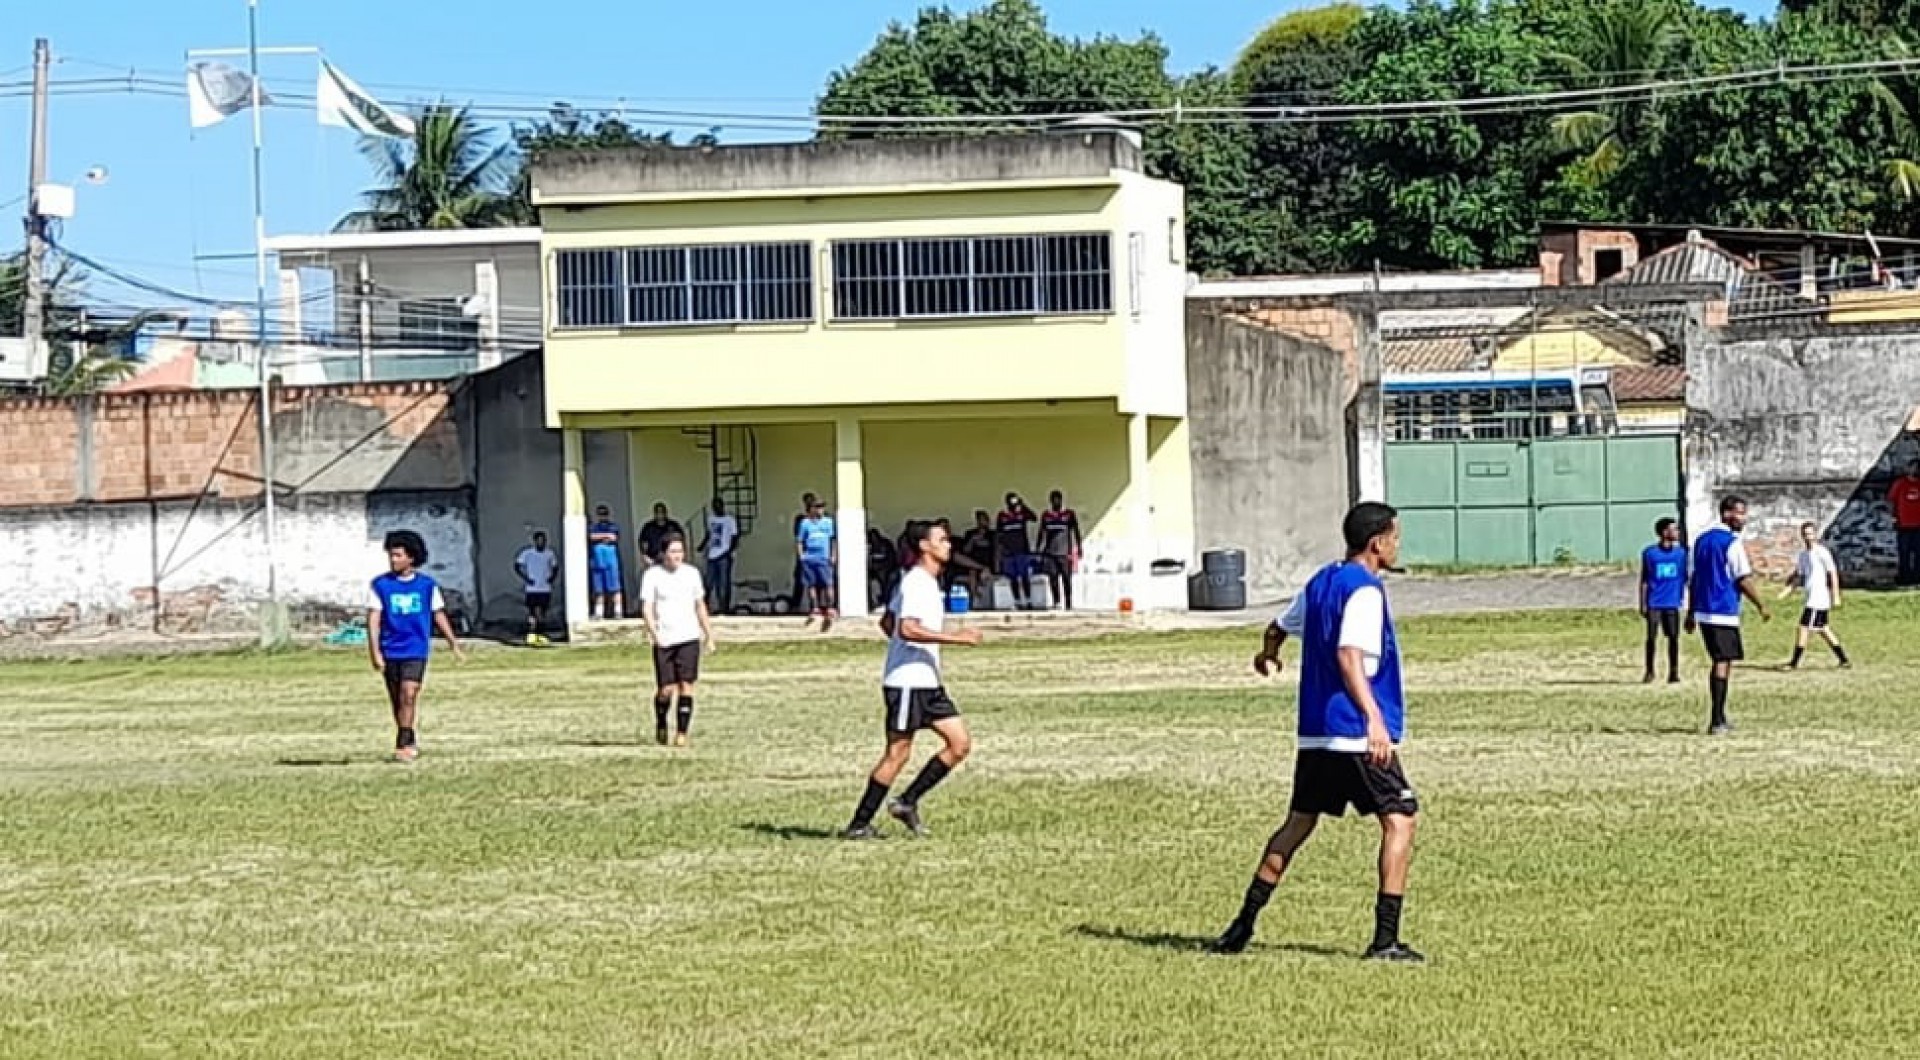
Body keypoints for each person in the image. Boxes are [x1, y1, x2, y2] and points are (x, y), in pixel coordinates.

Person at [1207, 502, 1423, 963]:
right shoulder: (1364, 590)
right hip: (1353, 733)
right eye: (1394, 537)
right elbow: (1350, 657)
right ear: (1376, 543)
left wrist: (1267, 654)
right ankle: (1385, 940)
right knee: (1400, 819)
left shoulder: (1322, 581)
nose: (1397, 545)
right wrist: (1374, 719)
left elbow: (1276, 627)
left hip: (1316, 735)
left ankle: (1242, 926)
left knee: (1298, 823)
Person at [842, 520, 983, 840]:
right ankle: (859, 823)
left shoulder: (925, 583)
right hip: (907, 683)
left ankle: (907, 802)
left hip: (928, 682)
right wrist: (956, 639)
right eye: (942, 539)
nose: (949, 544)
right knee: (898, 754)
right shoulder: (916, 583)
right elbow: (905, 628)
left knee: (959, 744)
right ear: (924, 546)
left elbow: (887, 622)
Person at [367, 530, 463, 763]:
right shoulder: (380, 585)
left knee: (409, 693)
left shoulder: (427, 586)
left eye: (398, 555)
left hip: (415, 649)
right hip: (391, 649)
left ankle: (404, 742)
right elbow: (373, 620)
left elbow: (438, 614)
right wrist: (375, 652)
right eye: (391, 555)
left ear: (411, 557)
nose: (393, 560)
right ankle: (406, 733)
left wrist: (453, 643)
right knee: (397, 699)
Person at [1685, 495, 1771, 736]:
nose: (1743, 519)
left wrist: (1691, 612)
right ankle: (1717, 718)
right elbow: (1742, 578)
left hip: (1703, 612)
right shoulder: (1731, 543)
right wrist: (1760, 604)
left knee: (1719, 660)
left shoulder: (1700, 541)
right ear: (1726, 514)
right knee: (1722, 663)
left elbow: (1694, 579)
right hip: (1723, 610)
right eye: (1740, 513)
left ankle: (1719, 716)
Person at [641, 535, 715, 747]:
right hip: (664, 638)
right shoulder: (653, 575)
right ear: (664, 554)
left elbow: (699, 605)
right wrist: (653, 632)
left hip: (688, 636)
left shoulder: (692, 574)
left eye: (680, 552)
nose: (677, 556)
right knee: (666, 689)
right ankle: (661, 721)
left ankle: (682, 732)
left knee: (686, 685)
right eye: (672, 552)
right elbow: (647, 607)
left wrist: (708, 634)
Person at [1784, 522, 1851, 671]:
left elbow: (1832, 573)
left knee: (1804, 627)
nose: (1808, 537)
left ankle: (1794, 663)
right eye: (1805, 534)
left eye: (1811, 534)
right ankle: (1844, 659)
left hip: (1818, 599)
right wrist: (1788, 590)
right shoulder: (1803, 555)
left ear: (1815, 535)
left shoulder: (1822, 552)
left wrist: (1835, 595)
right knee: (1823, 629)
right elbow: (1800, 576)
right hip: (1810, 597)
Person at [1638, 518, 1687, 684]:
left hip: (1672, 603)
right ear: (1664, 532)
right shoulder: (1650, 554)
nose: (1677, 532)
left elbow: (1685, 577)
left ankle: (1674, 671)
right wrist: (1643, 603)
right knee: (1651, 637)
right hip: (1654, 602)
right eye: (1674, 529)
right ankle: (1650, 670)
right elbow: (1644, 580)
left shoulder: (1681, 554)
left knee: (1673, 638)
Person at [797, 496, 838, 629]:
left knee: (828, 584)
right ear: (812, 509)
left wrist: (833, 555)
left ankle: (830, 607)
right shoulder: (805, 523)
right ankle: (815, 607)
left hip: (823, 558)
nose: (820, 510)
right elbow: (800, 540)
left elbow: (832, 540)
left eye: (822, 507)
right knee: (811, 585)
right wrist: (802, 556)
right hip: (809, 558)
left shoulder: (828, 522)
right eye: (818, 507)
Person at [1038, 489, 1083, 611]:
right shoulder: (1046, 515)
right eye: (1054, 500)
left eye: (1058, 500)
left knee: (1066, 578)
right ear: (1050, 501)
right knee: (1052, 577)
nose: (1056, 502)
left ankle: (1068, 602)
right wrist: (1039, 549)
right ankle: (1056, 601)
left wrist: (1079, 547)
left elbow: (1076, 531)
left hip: (1064, 552)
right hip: (1050, 552)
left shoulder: (1069, 514)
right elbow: (1041, 532)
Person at [514, 530, 559, 646]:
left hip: (545, 588)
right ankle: (531, 634)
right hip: (532, 588)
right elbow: (517, 566)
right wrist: (526, 578)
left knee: (542, 613)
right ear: (535, 541)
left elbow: (555, 567)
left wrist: (551, 578)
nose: (541, 543)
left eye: (543, 541)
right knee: (533, 612)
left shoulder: (549, 554)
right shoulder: (528, 553)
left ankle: (541, 634)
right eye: (539, 540)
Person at [995, 493, 1038, 609]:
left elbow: (1034, 517)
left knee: (1024, 576)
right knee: (1013, 578)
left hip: (1022, 551)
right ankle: (1017, 601)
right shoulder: (1002, 516)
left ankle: (1029, 600)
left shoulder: (1022, 514)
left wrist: (1023, 506)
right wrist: (999, 554)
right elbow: (999, 535)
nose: (1014, 506)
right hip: (1008, 552)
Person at [702, 497, 740, 614]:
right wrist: (702, 545)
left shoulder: (730, 520)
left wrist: (729, 551)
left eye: (718, 505)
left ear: (723, 506)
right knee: (708, 583)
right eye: (714, 506)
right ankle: (704, 609)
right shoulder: (710, 519)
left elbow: (735, 537)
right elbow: (709, 534)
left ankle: (724, 610)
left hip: (724, 555)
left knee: (723, 584)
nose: (716, 508)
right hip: (712, 555)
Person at [589, 505, 624, 620]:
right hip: (598, 562)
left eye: (604, 513)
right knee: (599, 589)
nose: (602, 516)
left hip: (611, 562)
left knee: (615, 588)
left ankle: (618, 611)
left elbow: (613, 537)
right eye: (600, 513)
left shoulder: (613, 526)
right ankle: (599, 613)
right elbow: (591, 536)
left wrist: (600, 537)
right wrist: (604, 536)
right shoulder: (594, 527)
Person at [1888, 461, 1920, 586]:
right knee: (1904, 553)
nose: (1915, 471)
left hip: (1918, 525)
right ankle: (1905, 577)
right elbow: (1891, 501)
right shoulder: (1900, 483)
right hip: (1904, 524)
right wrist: (1894, 517)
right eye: (1913, 468)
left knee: (1918, 553)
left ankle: (1917, 577)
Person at [789, 491, 818, 612]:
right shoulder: (800, 519)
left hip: (817, 552)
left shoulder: (821, 518)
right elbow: (798, 535)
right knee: (799, 580)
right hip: (804, 552)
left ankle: (815, 606)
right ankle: (795, 606)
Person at [638, 502, 684, 570]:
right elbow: (643, 543)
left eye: (662, 512)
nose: (660, 514)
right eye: (658, 512)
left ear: (665, 512)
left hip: (671, 560)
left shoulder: (674, 526)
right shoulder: (648, 527)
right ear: (655, 513)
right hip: (653, 561)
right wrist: (645, 558)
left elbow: (682, 541)